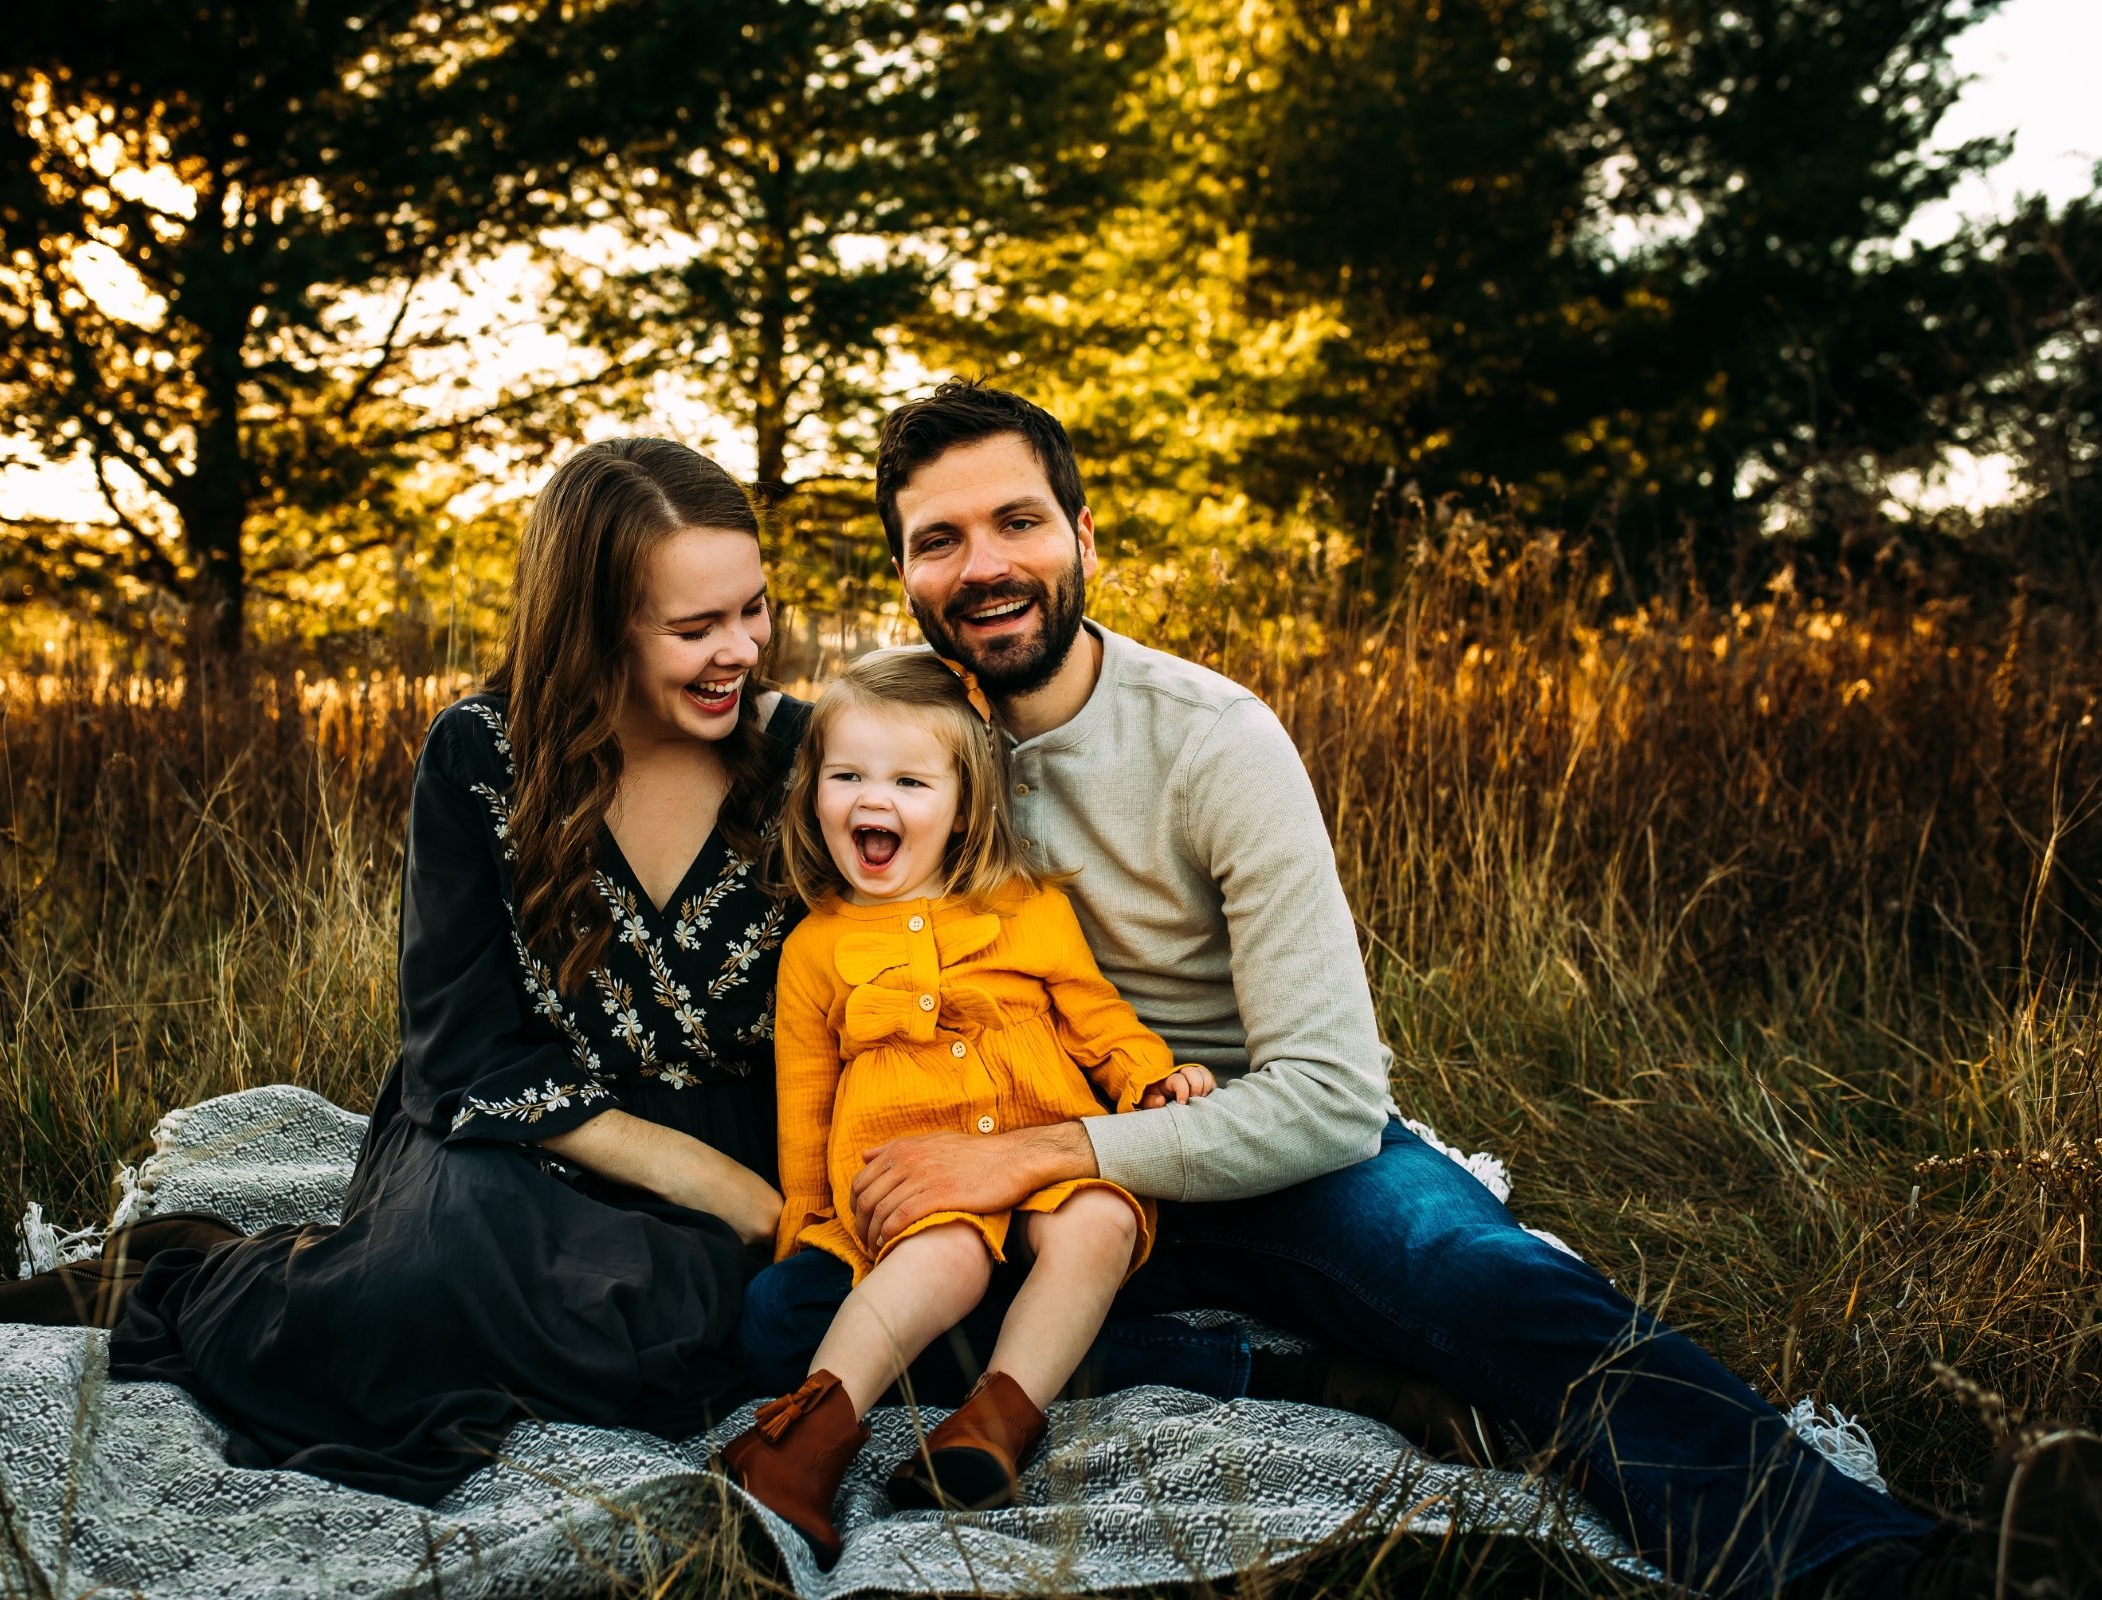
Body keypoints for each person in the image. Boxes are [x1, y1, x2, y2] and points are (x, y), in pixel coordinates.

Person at [740, 380, 2101, 1598]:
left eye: (1017, 523)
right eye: (939, 540)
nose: (984, 567)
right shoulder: (891, 745)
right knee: (795, 1321)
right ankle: (1302, 1378)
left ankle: (1880, 1565)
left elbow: (1329, 1100)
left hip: (1235, 1143)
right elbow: (696, 700)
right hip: (1028, 1174)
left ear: (1085, 541)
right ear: (906, 576)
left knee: (1478, 1279)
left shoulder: (1213, 742)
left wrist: (1042, 1149)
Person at [0, 438, 808, 1502]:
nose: (739, 650)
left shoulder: (802, 758)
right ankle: (198, 1274)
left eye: (753, 609)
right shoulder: (480, 756)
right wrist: (722, 1188)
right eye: (695, 627)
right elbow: (462, 1044)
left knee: (659, 1339)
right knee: (415, 1295)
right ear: (594, 625)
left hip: (723, 1127)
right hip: (516, 1124)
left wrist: (768, 1181)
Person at [716, 651, 1216, 1563]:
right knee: (930, 1259)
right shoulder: (817, 948)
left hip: (1040, 1151)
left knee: (1103, 1216)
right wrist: (816, 1227)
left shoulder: (1025, 908)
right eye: (849, 776)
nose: (876, 799)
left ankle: (997, 1421)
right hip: (914, 1188)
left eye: (909, 779)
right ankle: (802, 1440)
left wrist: (1150, 1082)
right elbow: (807, 1108)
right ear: (812, 790)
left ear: (963, 805)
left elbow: (1096, 1017)